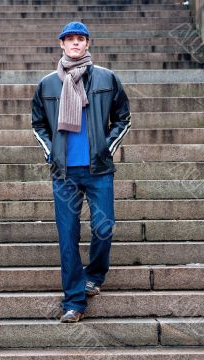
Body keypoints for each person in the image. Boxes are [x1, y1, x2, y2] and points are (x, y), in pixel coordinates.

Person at [32, 21, 131, 323]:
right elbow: (38, 124)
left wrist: (106, 148)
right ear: (61, 44)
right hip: (65, 174)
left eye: (80, 39)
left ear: (88, 44)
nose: (75, 43)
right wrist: (51, 153)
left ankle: (95, 275)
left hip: (98, 169)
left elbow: (123, 118)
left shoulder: (106, 78)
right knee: (68, 236)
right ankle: (74, 301)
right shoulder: (48, 84)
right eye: (70, 39)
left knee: (104, 228)